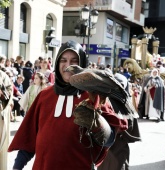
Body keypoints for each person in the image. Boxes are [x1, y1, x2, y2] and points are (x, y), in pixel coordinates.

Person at [8, 40, 128, 170]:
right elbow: (29, 138)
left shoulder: (94, 96)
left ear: (81, 63)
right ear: (57, 62)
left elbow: (110, 140)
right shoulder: (44, 96)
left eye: (74, 61)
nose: (67, 65)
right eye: (63, 60)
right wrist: (17, 167)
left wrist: (98, 124)